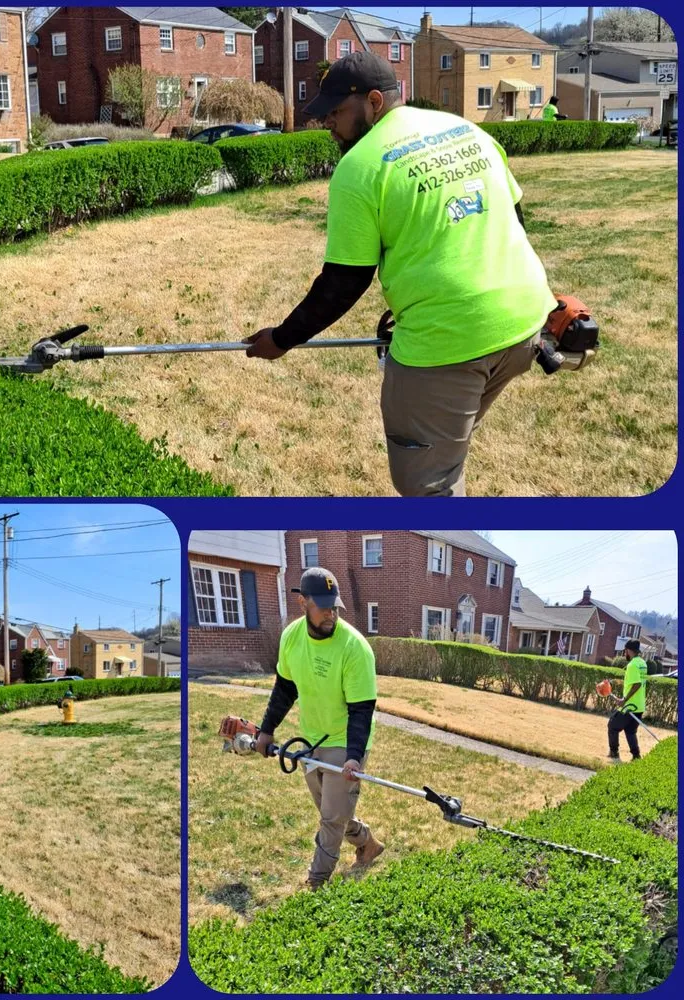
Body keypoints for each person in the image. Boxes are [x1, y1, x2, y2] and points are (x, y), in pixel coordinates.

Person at [244, 51, 559, 497]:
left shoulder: (360, 166)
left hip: (448, 347)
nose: (328, 123)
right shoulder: (466, 130)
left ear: (373, 102)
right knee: (444, 445)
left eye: (336, 112)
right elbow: (514, 221)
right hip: (526, 326)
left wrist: (281, 339)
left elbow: (343, 283)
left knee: (428, 487)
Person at [255, 566, 382, 890]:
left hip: (344, 740)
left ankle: (317, 880)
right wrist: (267, 730)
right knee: (333, 811)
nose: (330, 614)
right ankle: (367, 844)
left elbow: (361, 710)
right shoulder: (291, 638)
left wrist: (354, 757)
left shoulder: (354, 648)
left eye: (334, 606)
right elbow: (285, 688)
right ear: (303, 603)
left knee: (330, 818)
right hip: (311, 739)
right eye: (323, 606)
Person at [608, 639, 648, 761]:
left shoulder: (632, 665)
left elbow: (636, 684)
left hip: (629, 706)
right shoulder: (642, 663)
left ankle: (614, 752)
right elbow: (635, 682)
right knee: (630, 731)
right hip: (639, 705)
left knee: (612, 725)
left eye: (625, 650)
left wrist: (624, 699)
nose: (625, 653)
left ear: (629, 650)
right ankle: (636, 756)